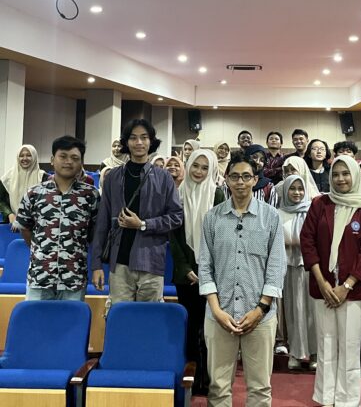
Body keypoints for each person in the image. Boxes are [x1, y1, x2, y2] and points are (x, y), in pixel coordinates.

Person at [198, 153, 286, 407]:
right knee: (218, 388)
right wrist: (217, 310)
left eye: (246, 177)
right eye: (235, 176)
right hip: (219, 314)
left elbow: (276, 268)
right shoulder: (212, 218)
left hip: (260, 316)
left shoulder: (271, 217)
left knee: (260, 388)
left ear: (255, 180)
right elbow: (205, 267)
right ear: (226, 179)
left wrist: (260, 310)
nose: (240, 182)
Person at [300, 155, 361, 407]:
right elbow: (307, 241)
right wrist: (322, 282)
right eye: (335, 174)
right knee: (325, 343)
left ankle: (347, 400)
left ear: (354, 175)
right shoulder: (320, 204)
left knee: (349, 346)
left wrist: (346, 286)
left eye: (346, 174)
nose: (340, 179)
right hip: (323, 288)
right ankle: (326, 397)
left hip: (353, 291)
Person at [91, 119, 183, 303]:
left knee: (149, 316)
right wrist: (96, 265)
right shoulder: (113, 177)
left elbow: (176, 217)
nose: (139, 142)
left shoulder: (163, 177)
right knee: (120, 315)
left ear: (151, 142)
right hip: (120, 262)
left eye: (144, 137)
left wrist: (142, 224)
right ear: (126, 142)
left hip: (150, 261)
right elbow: (102, 222)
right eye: (133, 138)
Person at [16, 136, 99, 300]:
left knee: (73, 317)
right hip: (40, 276)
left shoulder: (91, 195)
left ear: (81, 163)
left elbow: (95, 232)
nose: (68, 161)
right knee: (34, 317)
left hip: (74, 278)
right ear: (52, 160)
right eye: (63, 156)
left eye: (74, 158)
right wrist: (41, 250)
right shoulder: (34, 193)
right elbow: (25, 227)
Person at [170, 149, 225, 395]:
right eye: (195, 166)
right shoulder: (177, 195)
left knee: (211, 327)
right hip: (185, 274)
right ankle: (193, 378)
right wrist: (185, 268)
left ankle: (211, 378)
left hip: (212, 272)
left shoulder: (218, 194)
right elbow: (174, 237)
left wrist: (207, 269)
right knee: (191, 327)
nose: (199, 171)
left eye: (205, 167)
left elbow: (222, 236)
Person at [278, 175, 317, 371]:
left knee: (312, 312)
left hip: (310, 267)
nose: (297, 193)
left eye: (300, 189)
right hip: (288, 267)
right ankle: (295, 352)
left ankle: (315, 353)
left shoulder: (312, 211)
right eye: (292, 189)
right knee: (293, 311)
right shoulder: (278, 213)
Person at [0, 144, 47, 225]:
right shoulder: (7, 178)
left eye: (29, 155)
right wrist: (9, 214)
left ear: (34, 157)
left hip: (38, 224)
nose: (25, 158)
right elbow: (1, 200)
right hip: (12, 225)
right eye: (21, 156)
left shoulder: (43, 177)